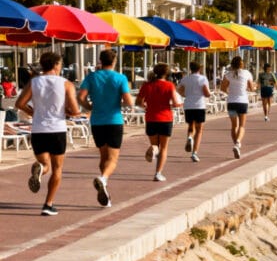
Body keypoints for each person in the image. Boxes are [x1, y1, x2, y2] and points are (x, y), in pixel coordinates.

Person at [16, 52, 80, 215]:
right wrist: (66, 112)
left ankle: (41, 169)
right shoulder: (66, 84)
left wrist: (34, 112)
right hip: (57, 129)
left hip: (38, 129)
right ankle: (48, 204)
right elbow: (75, 110)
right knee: (57, 169)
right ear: (56, 65)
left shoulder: (34, 82)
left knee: (46, 164)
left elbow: (20, 103)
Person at [78, 49, 131, 207]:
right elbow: (129, 101)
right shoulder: (120, 78)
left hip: (97, 121)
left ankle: (105, 193)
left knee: (103, 156)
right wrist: (120, 104)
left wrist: (89, 107)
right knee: (113, 158)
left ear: (100, 61)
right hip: (114, 120)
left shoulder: (92, 77)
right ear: (114, 61)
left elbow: (80, 97)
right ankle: (103, 179)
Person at [136, 63, 181, 182]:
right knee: (164, 148)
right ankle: (158, 173)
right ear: (166, 74)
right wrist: (179, 104)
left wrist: (145, 105)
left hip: (151, 118)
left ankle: (153, 148)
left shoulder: (147, 85)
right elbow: (176, 103)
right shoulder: (169, 85)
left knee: (155, 145)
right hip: (165, 118)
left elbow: (138, 101)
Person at [220, 56, 254, 160]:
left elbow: (223, 88)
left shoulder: (228, 75)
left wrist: (229, 92)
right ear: (241, 64)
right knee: (242, 126)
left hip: (231, 102)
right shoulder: (247, 73)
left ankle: (236, 145)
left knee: (234, 126)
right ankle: (238, 143)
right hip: (242, 102)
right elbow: (251, 88)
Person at [177, 62, 211, 163]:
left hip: (188, 105)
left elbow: (179, 89)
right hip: (199, 105)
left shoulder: (185, 79)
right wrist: (207, 94)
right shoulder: (203, 79)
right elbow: (206, 93)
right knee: (199, 129)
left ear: (190, 69)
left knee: (191, 126)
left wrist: (185, 94)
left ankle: (190, 137)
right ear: (199, 69)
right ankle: (195, 152)